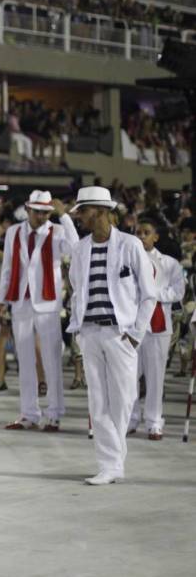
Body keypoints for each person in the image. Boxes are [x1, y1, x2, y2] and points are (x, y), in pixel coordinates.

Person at [67, 186, 157, 486]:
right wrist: (78, 329)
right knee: (97, 401)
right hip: (90, 333)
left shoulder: (130, 245)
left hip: (121, 335)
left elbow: (149, 295)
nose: (79, 217)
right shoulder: (80, 249)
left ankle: (114, 461)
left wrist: (134, 335)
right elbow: (77, 290)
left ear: (102, 212)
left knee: (124, 399)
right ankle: (109, 464)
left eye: (83, 211)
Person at [0, 190, 79, 431]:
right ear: (28, 209)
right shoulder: (14, 232)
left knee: (51, 359)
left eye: (46, 212)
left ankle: (54, 413)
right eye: (38, 212)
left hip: (47, 303)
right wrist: (3, 300)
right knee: (25, 359)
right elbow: (8, 268)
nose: (42, 217)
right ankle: (29, 413)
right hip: (20, 302)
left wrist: (65, 217)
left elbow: (75, 250)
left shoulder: (58, 231)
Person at [129, 219, 182, 440]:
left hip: (158, 325)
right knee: (130, 376)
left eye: (146, 232)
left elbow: (177, 292)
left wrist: (152, 295)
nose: (141, 236)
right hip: (132, 325)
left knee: (155, 376)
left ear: (155, 237)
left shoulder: (169, 263)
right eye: (138, 232)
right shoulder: (128, 260)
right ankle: (130, 418)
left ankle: (154, 421)